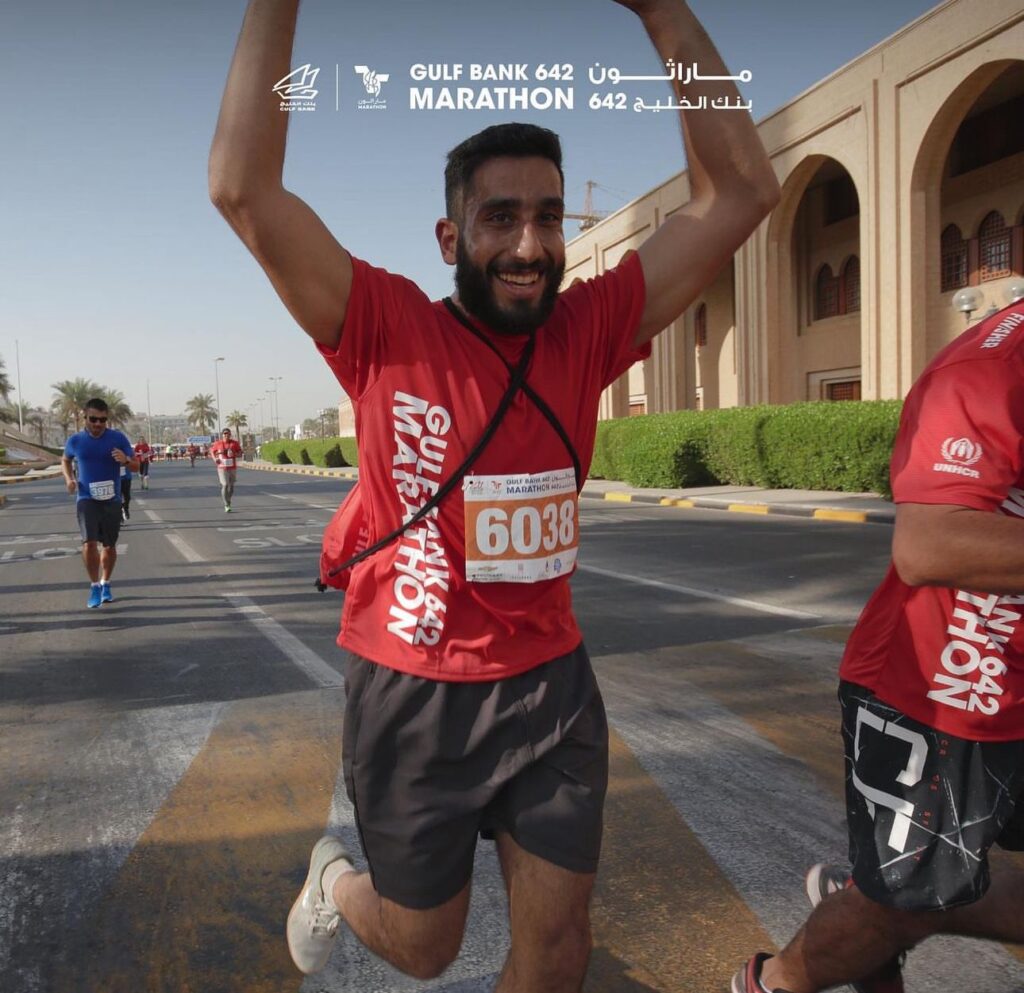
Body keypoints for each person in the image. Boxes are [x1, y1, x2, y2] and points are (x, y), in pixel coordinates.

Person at [210, 0, 779, 987]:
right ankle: (337, 879)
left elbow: (740, 192)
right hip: (413, 691)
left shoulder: (589, 326)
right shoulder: (383, 324)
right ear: (449, 235)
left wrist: (662, 16)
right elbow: (241, 188)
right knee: (423, 948)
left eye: (549, 217)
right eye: (500, 218)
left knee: (556, 951)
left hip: (551, 687)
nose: (528, 244)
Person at [732, 298, 1024, 993]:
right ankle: (774, 979)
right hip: (946, 687)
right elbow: (930, 543)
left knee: (920, 895)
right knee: (904, 907)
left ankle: (885, 896)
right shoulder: (991, 365)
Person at [62, 399, 139, 608]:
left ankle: (106, 582)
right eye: (93, 419)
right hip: (86, 499)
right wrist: (69, 479)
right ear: (84, 417)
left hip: (112, 500)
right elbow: (65, 459)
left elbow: (136, 466)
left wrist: (125, 460)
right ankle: (94, 585)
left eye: (102, 420)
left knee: (109, 546)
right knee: (88, 544)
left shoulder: (118, 438)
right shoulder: (76, 441)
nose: (98, 424)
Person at [210, 427, 243, 512]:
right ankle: (226, 504)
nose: (226, 435)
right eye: (224, 433)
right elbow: (212, 452)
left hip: (232, 467)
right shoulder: (218, 443)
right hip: (222, 467)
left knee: (231, 487)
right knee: (225, 485)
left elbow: (240, 453)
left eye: (228, 433)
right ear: (222, 435)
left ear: (230, 434)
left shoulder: (234, 443)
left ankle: (228, 500)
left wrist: (234, 454)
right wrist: (215, 459)